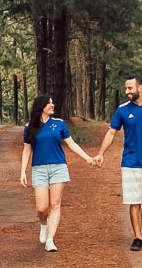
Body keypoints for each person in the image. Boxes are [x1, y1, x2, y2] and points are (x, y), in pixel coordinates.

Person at [93, 75, 142, 251]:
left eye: (130, 88)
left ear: (140, 88)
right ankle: (137, 237)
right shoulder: (122, 110)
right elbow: (111, 133)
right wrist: (100, 153)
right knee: (134, 201)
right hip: (129, 163)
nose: (127, 91)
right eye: (126, 88)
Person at [20, 95, 94, 252]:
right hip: (39, 169)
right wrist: (22, 172)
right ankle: (43, 224)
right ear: (41, 106)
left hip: (58, 168)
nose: (52, 105)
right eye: (49, 103)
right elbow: (27, 150)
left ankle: (50, 240)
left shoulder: (59, 124)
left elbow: (72, 144)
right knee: (42, 208)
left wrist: (87, 158)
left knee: (55, 204)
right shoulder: (30, 127)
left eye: (53, 102)